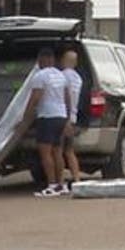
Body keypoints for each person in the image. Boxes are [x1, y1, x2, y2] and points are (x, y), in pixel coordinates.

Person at [18, 49, 70, 198]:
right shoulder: (61, 76)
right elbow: (67, 98)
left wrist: (25, 117)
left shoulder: (40, 77)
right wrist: (67, 118)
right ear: (53, 60)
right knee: (58, 151)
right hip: (60, 116)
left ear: (41, 60)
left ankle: (51, 185)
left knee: (45, 153)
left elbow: (35, 98)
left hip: (47, 117)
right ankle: (61, 184)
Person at [60, 49, 83, 191]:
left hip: (63, 116)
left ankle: (60, 181)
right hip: (73, 116)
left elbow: (63, 96)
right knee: (69, 151)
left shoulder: (62, 77)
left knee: (58, 151)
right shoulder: (78, 78)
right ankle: (77, 179)